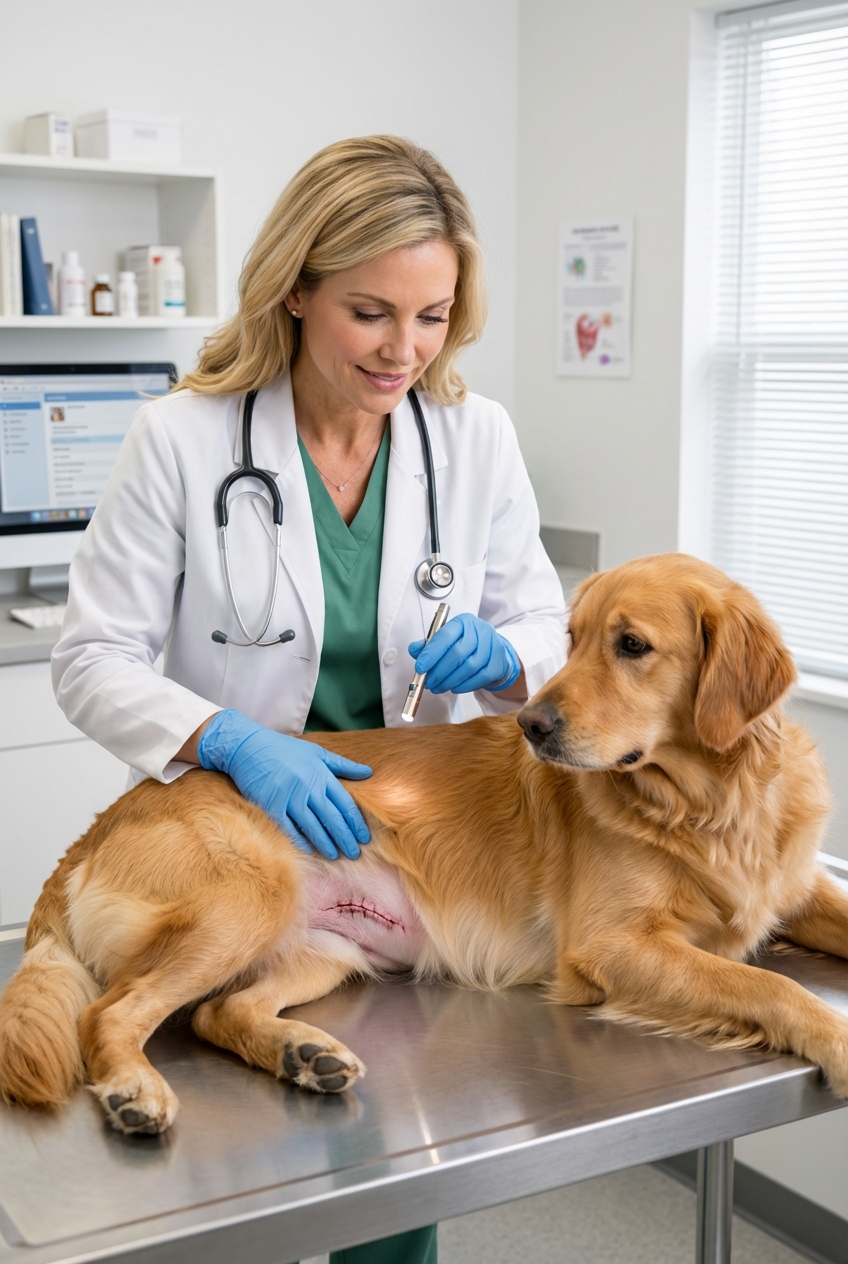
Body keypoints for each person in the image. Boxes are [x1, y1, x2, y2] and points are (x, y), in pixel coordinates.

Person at [53, 135, 566, 1264]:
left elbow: (542, 626)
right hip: (239, 819)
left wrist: (506, 657)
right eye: (370, 313)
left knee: (391, 1151)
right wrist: (232, 739)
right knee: (235, 1181)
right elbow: (91, 657)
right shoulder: (183, 439)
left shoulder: (472, 440)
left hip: (409, 846)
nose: (404, 350)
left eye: (432, 317)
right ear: (295, 288)